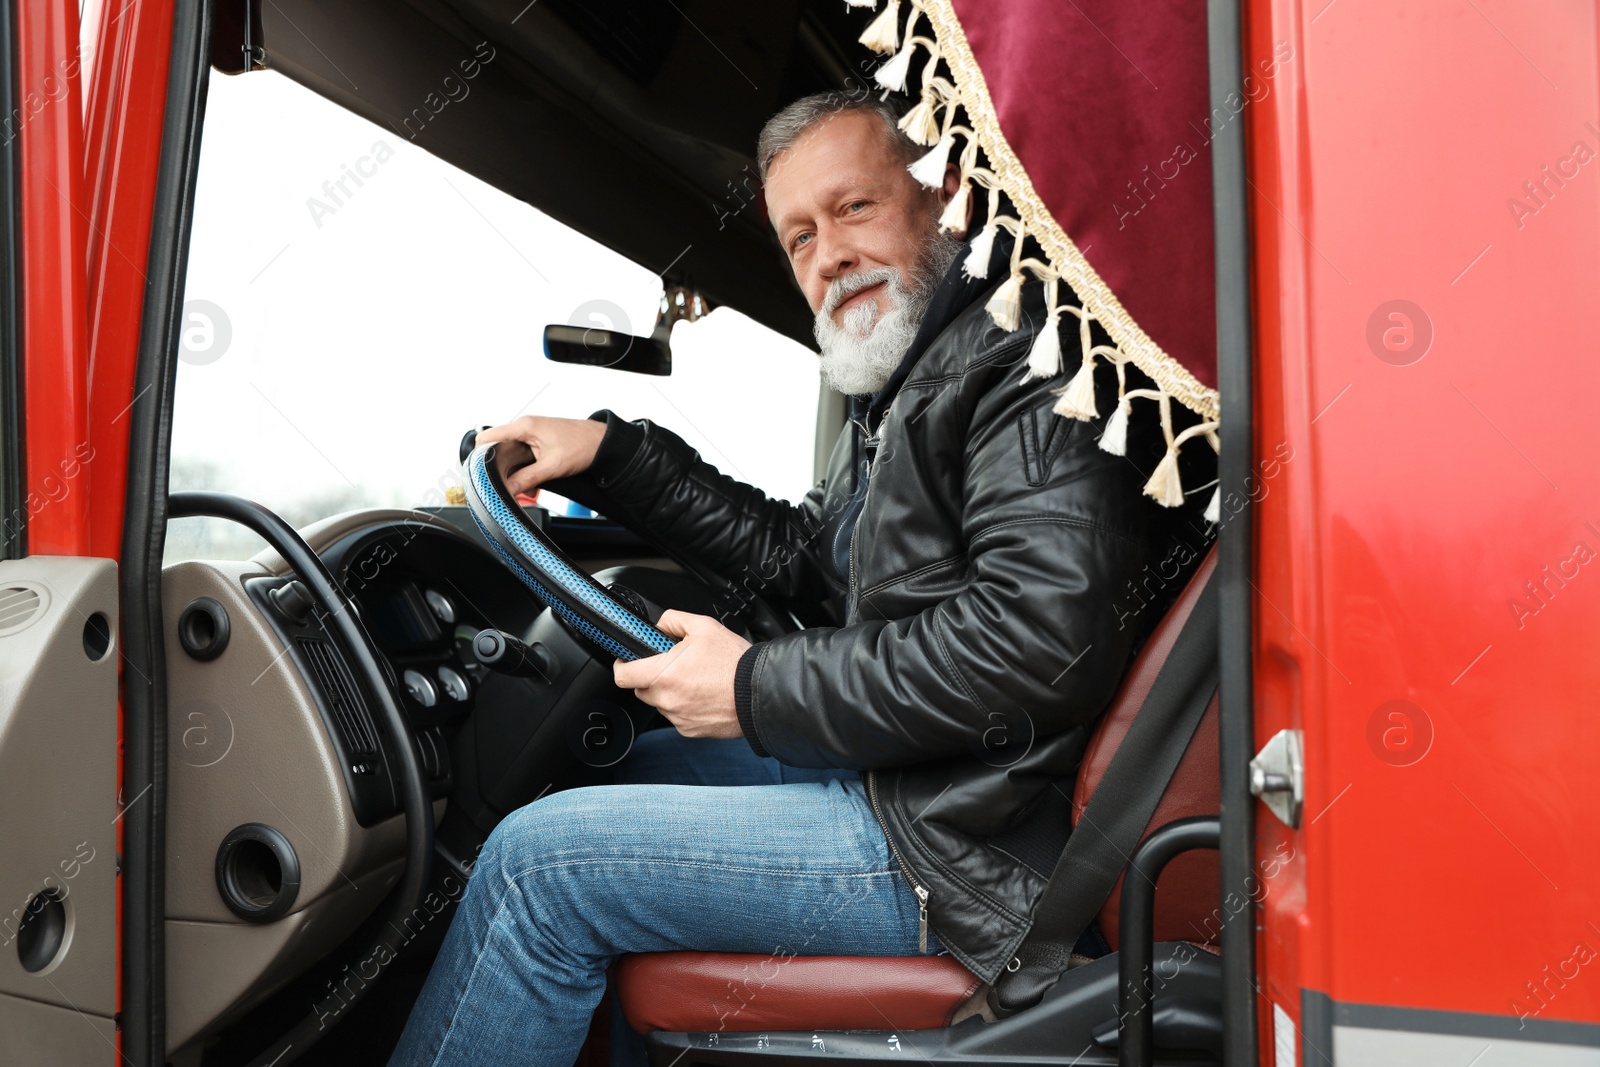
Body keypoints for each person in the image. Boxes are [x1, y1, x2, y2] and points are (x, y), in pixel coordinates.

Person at [389, 92, 1198, 1067]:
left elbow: (1038, 640)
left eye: (853, 208)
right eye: (799, 235)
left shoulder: (1020, 358)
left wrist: (748, 689)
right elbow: (808, 560)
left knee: (535, 866)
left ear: (942, 199)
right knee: (619, 766)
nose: (828, 255)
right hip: (927, 785)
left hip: (973, 846)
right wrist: (612, 455)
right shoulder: (913, 380)